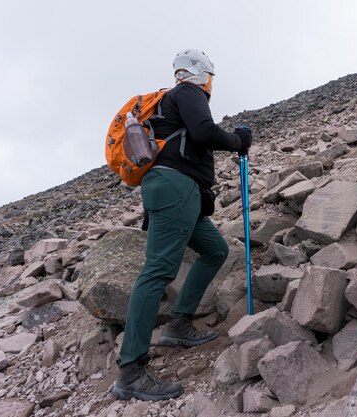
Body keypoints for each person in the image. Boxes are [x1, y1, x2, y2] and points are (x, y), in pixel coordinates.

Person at [112, 49, 252, 401]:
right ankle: (131, 370)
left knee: (215, 250)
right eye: (210, 78)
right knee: (158, 270)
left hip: (179, 192)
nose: (211, 85)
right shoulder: (188, 92)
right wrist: (238, 141)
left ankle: (178, 324)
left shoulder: (168, 101)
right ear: (202, 74)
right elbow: (204, 132)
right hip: (176, 188)